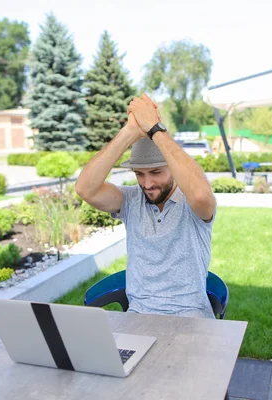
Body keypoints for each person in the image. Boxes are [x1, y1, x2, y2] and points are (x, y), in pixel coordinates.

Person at [75, 94, 217, 319]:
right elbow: (85, 189)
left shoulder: (192, 202)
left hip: (191, 315)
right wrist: (130, 131)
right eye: (139, 174)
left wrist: (155, 128)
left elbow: (201, 195)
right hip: (138, 315)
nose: (147, 184)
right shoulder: (130, 200)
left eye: (156, 172)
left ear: (171, 168)